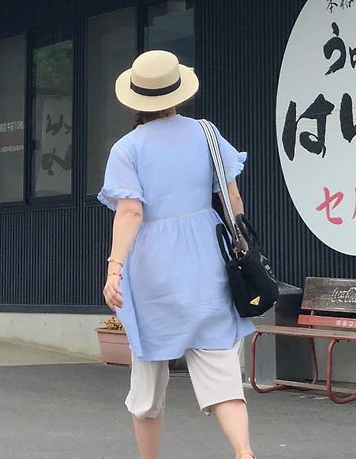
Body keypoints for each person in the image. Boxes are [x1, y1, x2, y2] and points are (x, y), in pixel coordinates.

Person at [100, 50, 256, 459]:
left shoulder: (127, 149)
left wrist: (115, 268)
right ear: (178, 93)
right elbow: (232, 198)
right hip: (208, 253)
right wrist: (240, 242)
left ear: (135, 100)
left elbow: (130, 212)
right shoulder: (206, 133)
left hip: (153, 264)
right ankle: (243, 451)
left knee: (148, 377)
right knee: (220, 365)